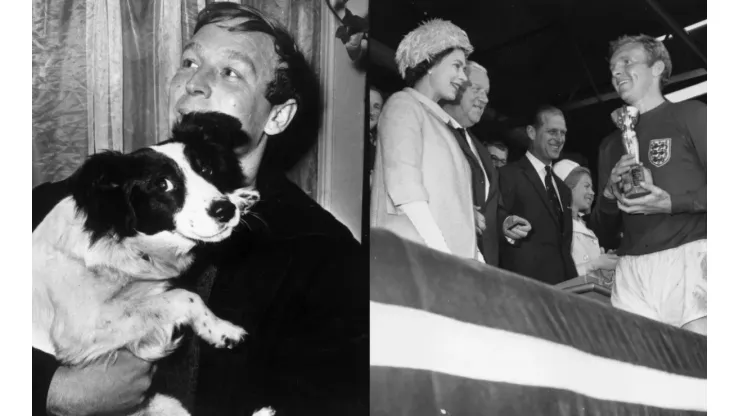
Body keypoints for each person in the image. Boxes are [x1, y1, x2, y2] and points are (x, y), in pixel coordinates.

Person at [33, 3, 368, 415]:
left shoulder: (325, 257)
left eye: (230, 71)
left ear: (278, 115)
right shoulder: (71, 202)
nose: (195, 83)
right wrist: (49, 391)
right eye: (189, 61)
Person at [590, 34, 706, 335]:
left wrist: (671, 203)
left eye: (627, 62)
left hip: (689, 256)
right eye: (613, 67)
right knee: (638, 373)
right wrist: (607, 195)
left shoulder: (691, 115)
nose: (616, 72)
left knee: (703, 367)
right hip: (631, 270)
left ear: (657, 68)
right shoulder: (610, 145)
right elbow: (603, 229)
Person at [370, 19, 485, 260]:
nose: (463, 77)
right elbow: (406, 191)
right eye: (456, 66)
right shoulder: (403, 106)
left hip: (444, 264)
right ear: (430, 62)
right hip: (416, 262)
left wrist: (475, 257)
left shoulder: (442, 127)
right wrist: (443, 255)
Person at [497, 105, 578, 285]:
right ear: (532, 132)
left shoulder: (563, 190)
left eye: (563, 133)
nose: (559, 139)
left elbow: (563, 248)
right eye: (552, 132)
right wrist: (506, 226)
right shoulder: (508, 175)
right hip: (524, 289)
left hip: (562, 292)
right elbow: (496, 218)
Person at [440, 61, 501, 266]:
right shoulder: (433, 130)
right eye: (477, 90)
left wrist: (506, 223)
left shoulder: (480, 149)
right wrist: (461, 213)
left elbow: (490, 209)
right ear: (456, 88)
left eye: (487, 92)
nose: (485, 99)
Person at [553, 159, 618, 287]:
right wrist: (595, 264)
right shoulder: (555, 225)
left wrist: (604, 268)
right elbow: (558, 275)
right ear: (568, 188)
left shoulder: (586, 226)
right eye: (586, 186)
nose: (592, 193)